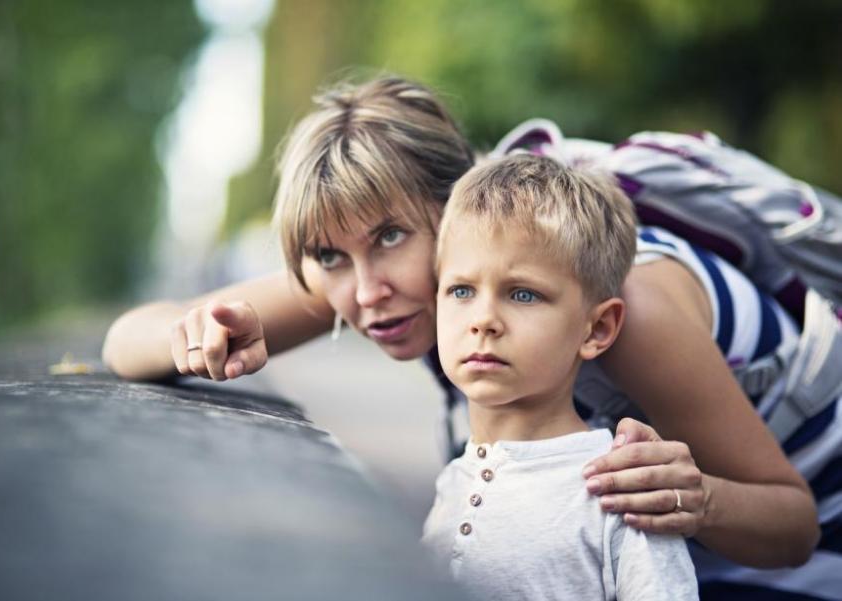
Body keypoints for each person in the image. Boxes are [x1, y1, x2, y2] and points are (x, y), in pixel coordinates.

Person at [102, 76, 828, 599]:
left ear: (453, 209)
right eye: (329, 259)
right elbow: (124, 341)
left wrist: (697, 499)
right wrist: (194, 334)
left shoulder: (627, 306)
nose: (363, 293)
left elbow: (793, 523)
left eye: (390, 237)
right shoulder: (374, 273)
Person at [421, 153, 698, 600]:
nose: (483, 319)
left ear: (597, 328)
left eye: (523, 294)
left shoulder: (619, 489)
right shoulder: (454, 478)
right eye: (461, 290)